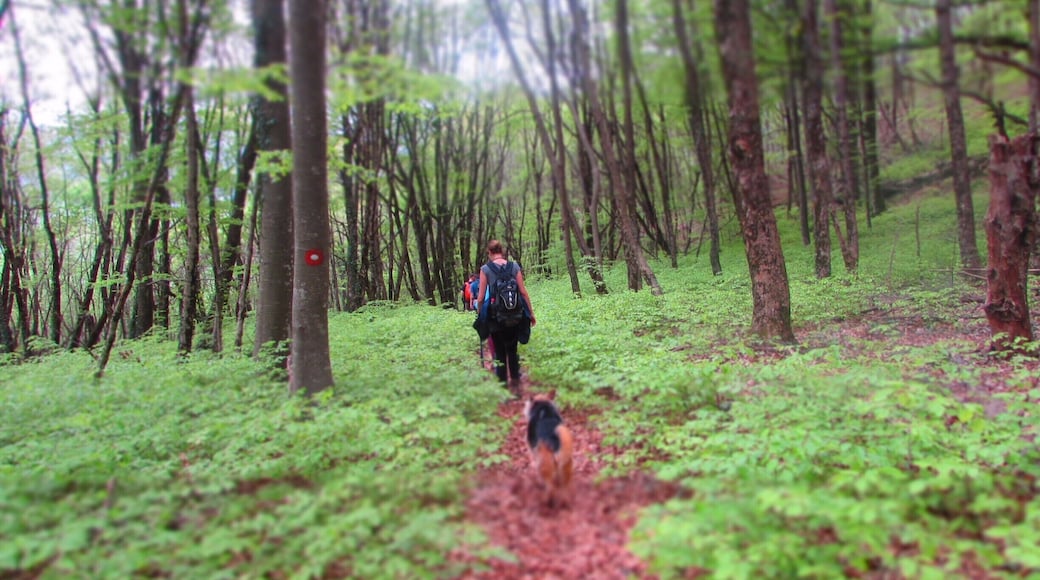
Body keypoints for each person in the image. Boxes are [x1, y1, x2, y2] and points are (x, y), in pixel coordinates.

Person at [476, 240, 535, 392]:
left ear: (489, 252)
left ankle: (503, 388)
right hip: (515, 315)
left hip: (496, 318)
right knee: (512, 350)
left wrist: (480, 314)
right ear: (502, 251)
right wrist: (531, 313)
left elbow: (481, 297)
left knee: (500, 353)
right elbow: (522, 291)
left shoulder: (485, 269)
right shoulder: (514, 266)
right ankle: (516, 385)